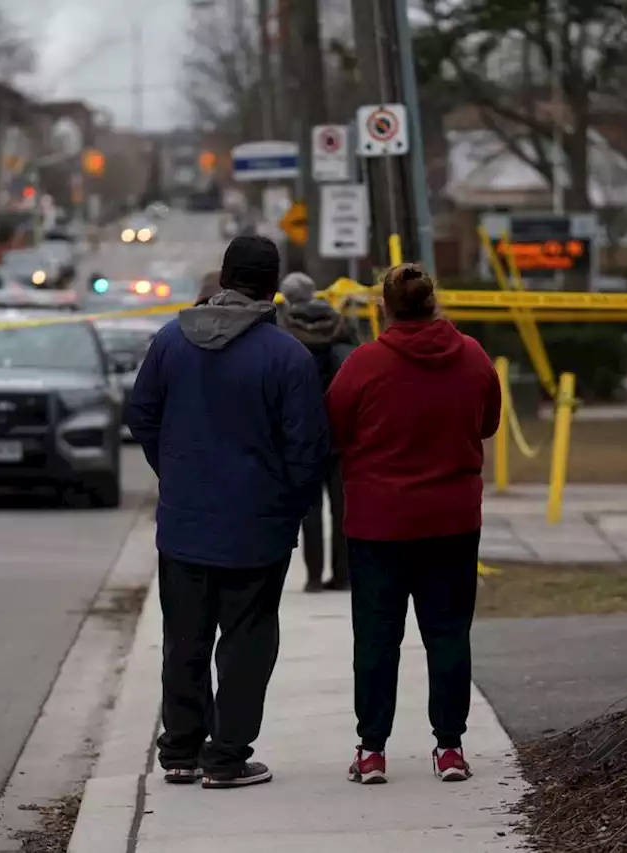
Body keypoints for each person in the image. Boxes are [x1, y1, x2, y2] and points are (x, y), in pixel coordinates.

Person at [126, 235, 330, 790]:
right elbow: (306, 448)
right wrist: (293, 504)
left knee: (184, 638)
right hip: (257, 527)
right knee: (247, 641)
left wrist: (174, 469)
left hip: (186, 521)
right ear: (272, 287)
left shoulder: (171, 341)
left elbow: (141, 413)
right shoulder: (288, 356)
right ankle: (227, 757)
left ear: (223, 276)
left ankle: (181, 751)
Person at [326, 263, 502, 785]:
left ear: (385, 306)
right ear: (434, 302)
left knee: (377, 637)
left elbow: (335, 425)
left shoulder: (364, 363)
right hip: (451, 517)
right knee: (448, 633)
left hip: (378, 521)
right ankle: (450, 747)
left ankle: (372, 750)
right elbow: (488, 422)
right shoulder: (472, 357)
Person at [278, 271, 359, 592]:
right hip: (341, 431)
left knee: (310, 510)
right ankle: (343, 575)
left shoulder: (283, 330)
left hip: (302, 434)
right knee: (343, 508)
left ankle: (313, 577)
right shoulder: (342, 326)